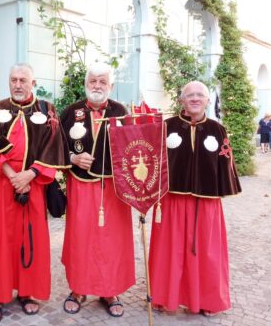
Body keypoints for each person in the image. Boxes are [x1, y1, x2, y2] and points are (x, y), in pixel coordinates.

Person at [0, 63, 69, 323]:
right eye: (14, 79)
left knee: (31, 239)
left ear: (32, 82)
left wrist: (31, 175)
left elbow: (54, 146)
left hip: (34, 184)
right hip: (1, 183)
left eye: (23, 80)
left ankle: (27, 292)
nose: (18, 84)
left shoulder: (47, 110)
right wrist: (12, 175)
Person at [148, 81, 241, 316]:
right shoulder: (165, 126)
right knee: (169, 249)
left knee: (206, 251)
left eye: (201, 95)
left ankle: (207, 300)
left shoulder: (218, 129)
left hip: (206, 202)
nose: (195, 98)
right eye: (190, 95)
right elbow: (152, 159)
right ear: (182, 100)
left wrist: (222, 189)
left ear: (208, 100)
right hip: (171, 201)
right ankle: (161, 296)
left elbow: (225, 163)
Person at [60, 63, 135, 317]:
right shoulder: (70, 112)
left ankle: (109, 290)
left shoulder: (121, 112)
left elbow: (133, 146)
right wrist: (72, 158)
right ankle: (78, 289)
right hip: (80, 185)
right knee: (81, 238)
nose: (97, 86)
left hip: (113, 189)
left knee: (111, 241)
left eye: (102, 82)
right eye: (93, 81)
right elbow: (56, 146)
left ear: (110, 86)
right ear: (86, 84)